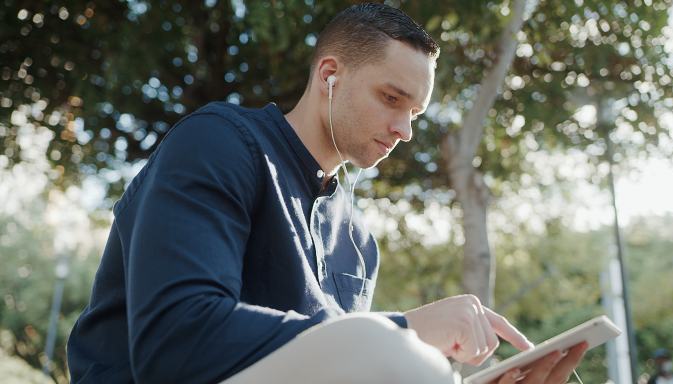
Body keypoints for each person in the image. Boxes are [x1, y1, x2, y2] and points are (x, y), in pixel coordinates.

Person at [66, 3, 588, 383]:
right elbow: (175, 341)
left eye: (415, 113)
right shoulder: (218, 142)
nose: (404, 129)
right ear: (330, 76)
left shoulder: (358, 243)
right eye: (391, 98)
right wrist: (402, 330)